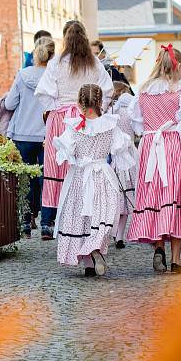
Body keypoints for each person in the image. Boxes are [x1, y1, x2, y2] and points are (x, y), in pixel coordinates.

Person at [128, 45, 181, 274]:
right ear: (178, 66)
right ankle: (176, 259)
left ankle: (159, 246)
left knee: (155, 196)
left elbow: (137, 125)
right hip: (173, 145)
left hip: (150, 146)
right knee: (175, 196)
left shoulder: (143, 91)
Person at [36, 20, 114, 241]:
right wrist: (97, 110)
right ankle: (86, 218)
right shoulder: (95, 65)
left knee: (59, 168)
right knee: (86, 167)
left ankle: (59, 221)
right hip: (85, 118)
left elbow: (43, 93)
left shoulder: (56, 64)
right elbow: (107, 91)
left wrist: (55, 109)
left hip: (61, 120)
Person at [53, 84, 135, 276]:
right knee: (101, 217)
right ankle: (95, 250)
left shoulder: (73, 127)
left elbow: (65, 153)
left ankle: (89, 263)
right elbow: (121, 152)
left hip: (80, 177)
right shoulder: (110, 125)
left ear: (79, 104)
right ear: (99, 102)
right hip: (103, 176)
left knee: (82, 218)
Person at [5, 37, 55, 237]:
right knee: (47, 179)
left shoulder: (23, 75)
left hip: (23, 133)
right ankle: (46, 224)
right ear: (52, 56)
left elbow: (9, 104)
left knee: (24, 179)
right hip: (46, 134)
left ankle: (25, 222)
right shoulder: (54, 77)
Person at [106, 81, 139, 249]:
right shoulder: (131, 111)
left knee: (116, 196)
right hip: (131, 157)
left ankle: (114, 233)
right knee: (127, 194)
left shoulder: (110, 113)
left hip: (114, 157)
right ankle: (120, 236)